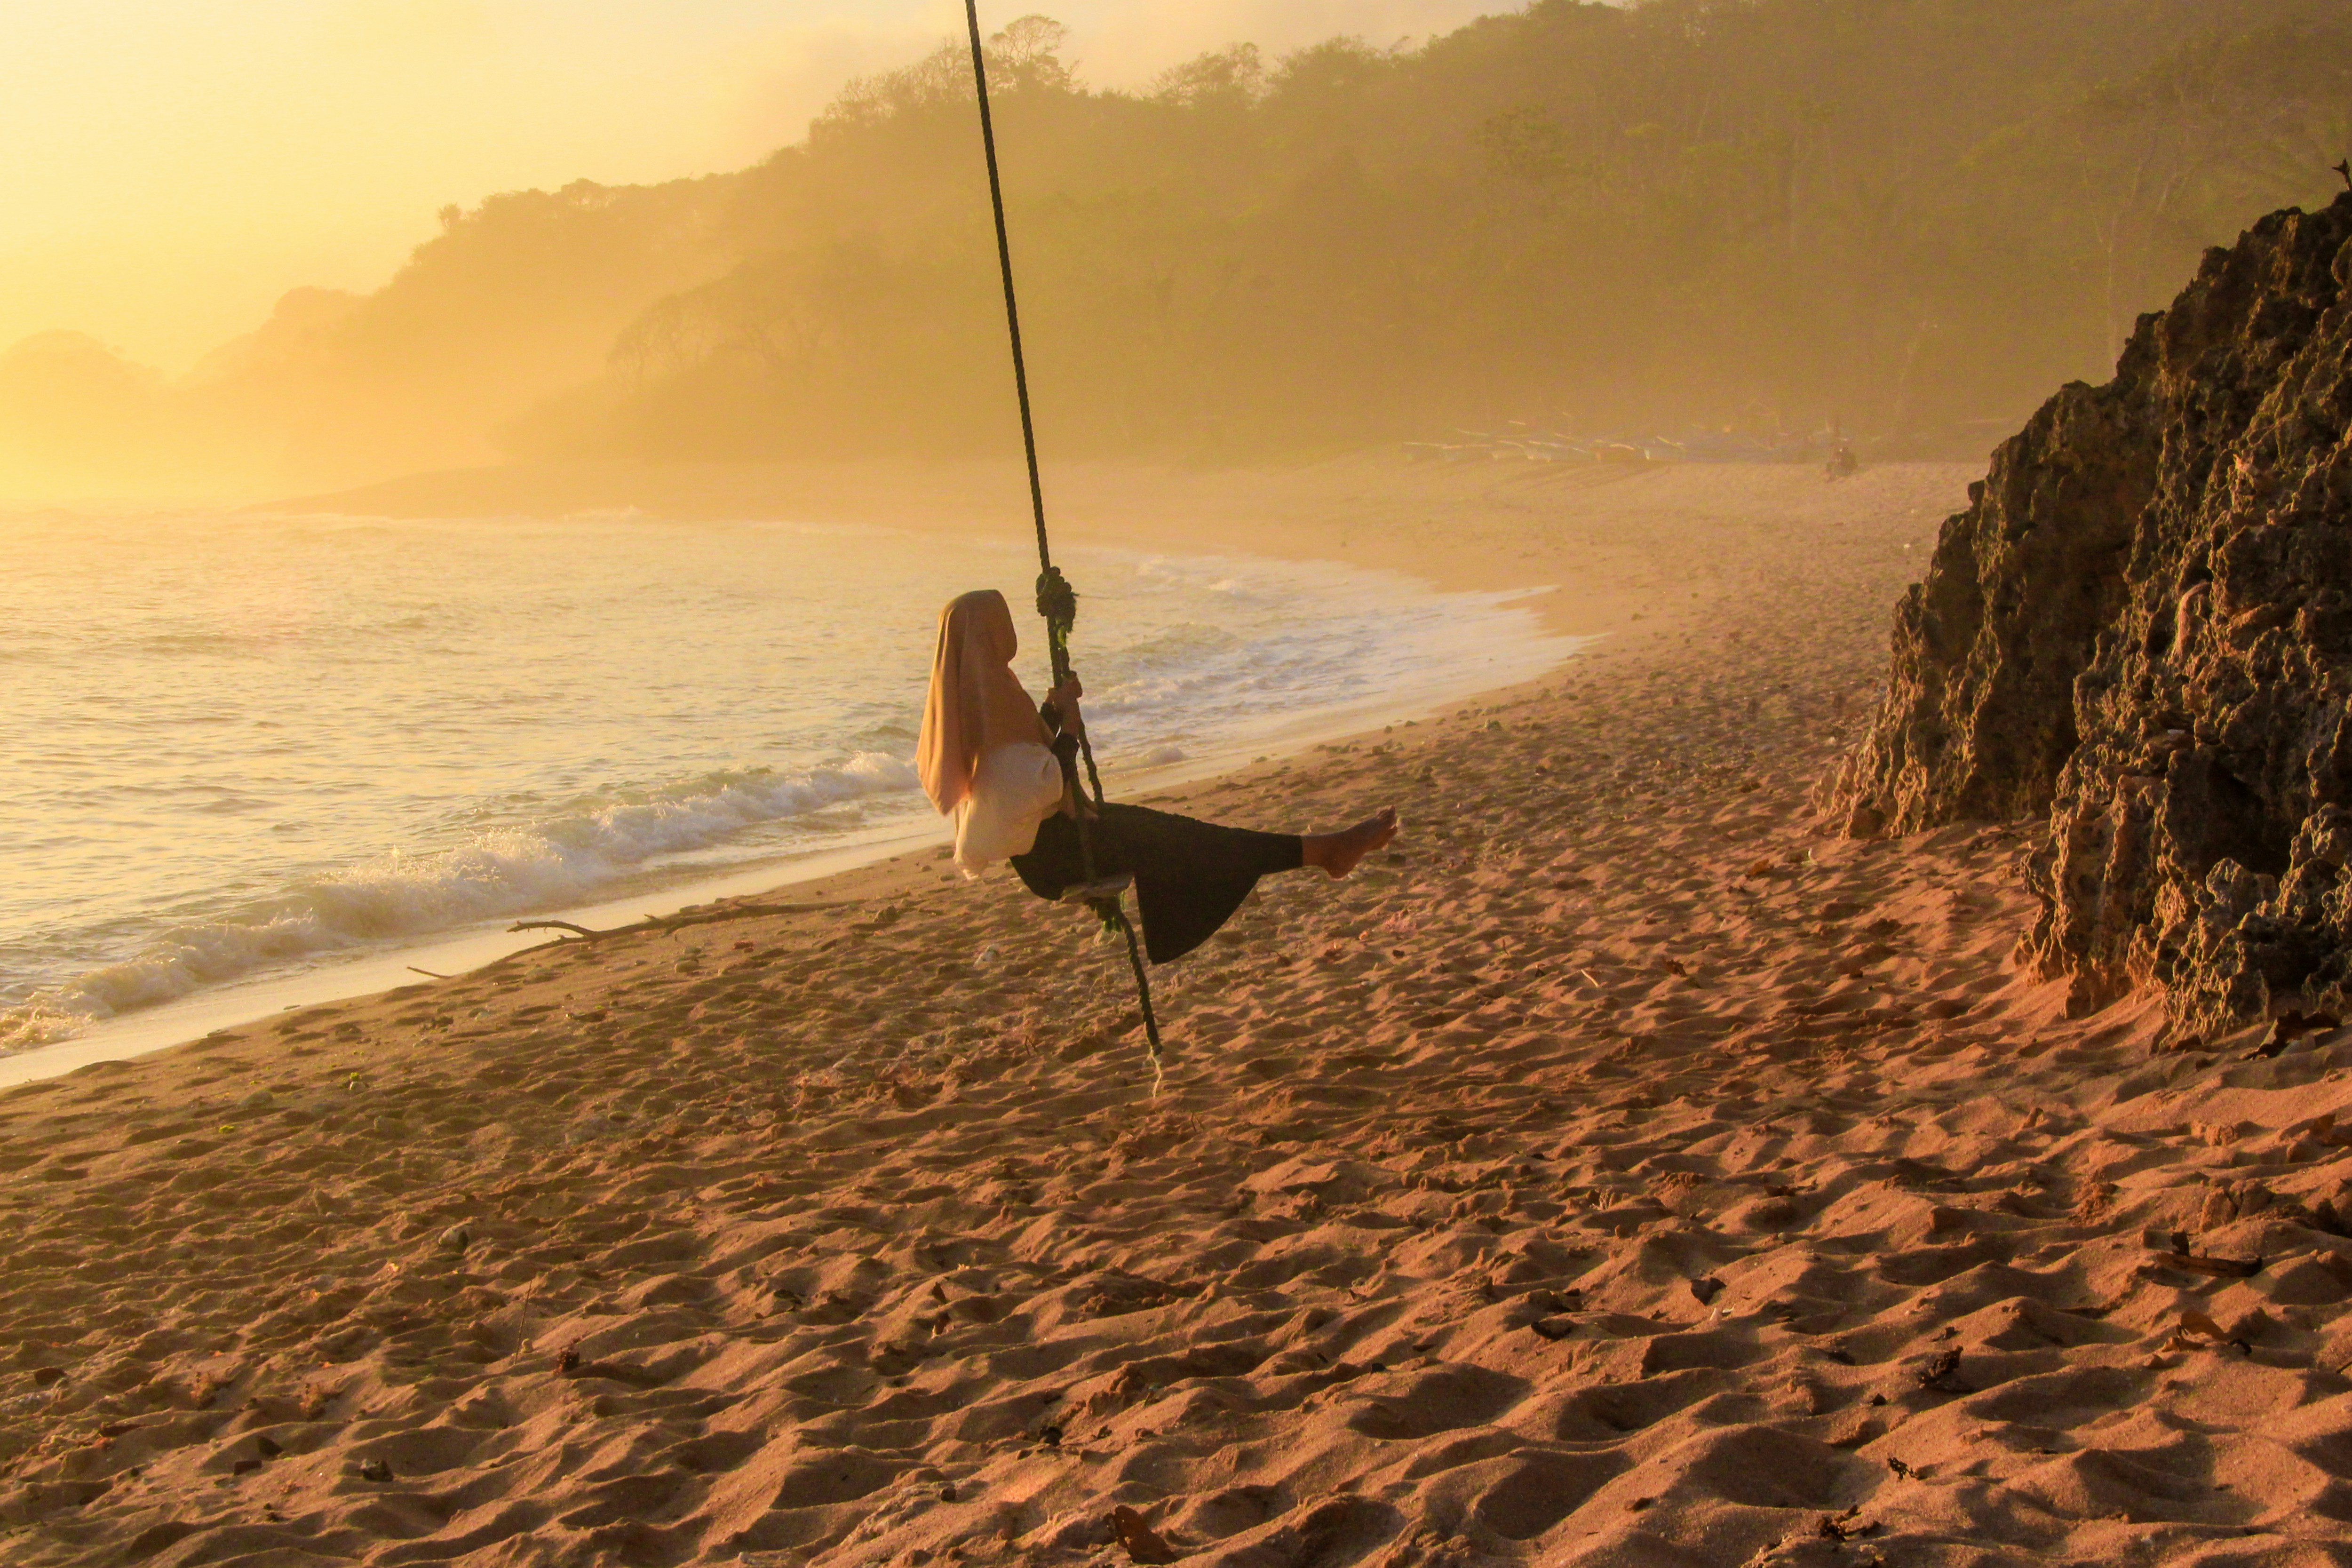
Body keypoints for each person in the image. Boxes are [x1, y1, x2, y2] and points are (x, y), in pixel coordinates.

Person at [917, 589, 1399, 963]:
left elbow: (1021, 754)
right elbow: (1027, 786)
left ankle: (1322, 852)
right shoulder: (988, 695)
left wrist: (1053, 709)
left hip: (1064, 838)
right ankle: (1324, 852)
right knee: (1195, 845)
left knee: (1188, 836)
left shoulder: (982, 693)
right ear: (986, 634)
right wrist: (1066, 733)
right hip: (1059, 856)